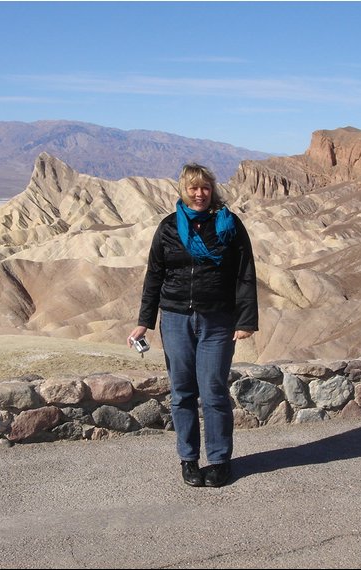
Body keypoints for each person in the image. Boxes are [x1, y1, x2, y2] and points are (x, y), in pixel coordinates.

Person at [128, 163, 258, 488]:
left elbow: (245, 273)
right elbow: (154, 275)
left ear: (212, 190)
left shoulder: (228, 225)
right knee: (182, 392)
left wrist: (245, 320)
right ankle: (188, 460)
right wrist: (144, 322)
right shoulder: (169, 228)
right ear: (183, 191)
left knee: (213, 390)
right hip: (174, 319)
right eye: (193, 188)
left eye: (205, 188)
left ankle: (218, 461)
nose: (199, 194)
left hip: (217, 319)